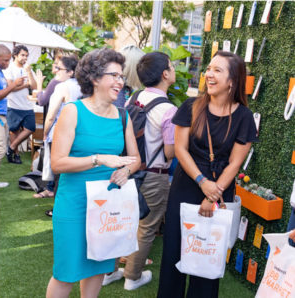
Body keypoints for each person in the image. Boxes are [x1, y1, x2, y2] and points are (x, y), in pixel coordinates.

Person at [157, 51, 259, 298]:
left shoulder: (244, 117)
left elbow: (235, 163)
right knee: (174, 253)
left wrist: (212, 195)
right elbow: (180, 149)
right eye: (209, 69)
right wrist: (202, 182)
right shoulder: (191, 106)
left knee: (207, 256)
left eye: (217, 70)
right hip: (186, 185)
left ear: (232, 80)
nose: (209, 74)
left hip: (220, 192)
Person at [46, 48, 141, 298]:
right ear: (95, 78)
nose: (120, 82)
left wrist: (126, 171)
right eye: (114, 75)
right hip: (74, 205)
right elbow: (57, 163)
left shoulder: (123, 116)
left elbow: (136, 160)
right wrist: (99, 160)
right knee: (65, 272)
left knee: (97, 268)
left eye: (122, 76)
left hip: (107, 208)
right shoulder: (73, 111)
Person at [104, 52, 177, 290]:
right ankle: (132, 277)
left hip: (127, 170)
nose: (174, 70)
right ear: (165, 74)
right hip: (154, 175)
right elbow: (169, 152)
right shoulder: (169, 110)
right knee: (146, 226)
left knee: (121, 222)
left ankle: (109, 271)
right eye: (171, 66)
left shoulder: (132, 98)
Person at [42, 55, 82, 216]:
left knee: (59, 173)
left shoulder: (63, 87)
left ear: (71, 72)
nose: (55, 71)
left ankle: (58, 209)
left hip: (60, 134)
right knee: (73, 172)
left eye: (59, 68)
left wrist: (45, 132)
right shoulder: (86, 87)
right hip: (79, 134)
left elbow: (51, 114)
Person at [33, 53, 68, 199]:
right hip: (69, 129)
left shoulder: (56, 83)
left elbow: (41, 101)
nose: (55, 68)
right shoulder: (77, 83)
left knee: (53, 162)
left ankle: (50, 190)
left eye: (57, 66)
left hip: (56, 128)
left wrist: (39, 84)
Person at [0, 44, 25, 187]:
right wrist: (13, 86)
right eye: (5, 60)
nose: (7, 63)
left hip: (2, 114)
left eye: (9, 60)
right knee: (0, 149)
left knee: (0, 147)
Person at [4, 45, 37, 164]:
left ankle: (11, 148)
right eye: (23, 55)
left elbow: (34, 86)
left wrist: (29, 72)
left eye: (27, 56)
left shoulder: (27, 68)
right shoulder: (9, 69)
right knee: (14, 131)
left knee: (31, 128)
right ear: (15, 55)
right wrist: (25, 85)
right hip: (13, 105)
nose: (25, 58)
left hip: (27, 105)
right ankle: (16, 155)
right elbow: (10, 88)